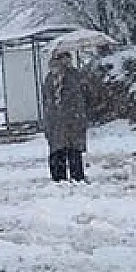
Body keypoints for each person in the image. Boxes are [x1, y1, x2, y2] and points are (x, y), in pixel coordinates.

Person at [42, 49, 91, 182]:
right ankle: (62, 177)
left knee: (70, 149)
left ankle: (71, 176)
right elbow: (48, 99)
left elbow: (83, 94)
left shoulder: (72, 75)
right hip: (61, 119)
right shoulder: (55, 78)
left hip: (70, 119)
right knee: (61, 149)